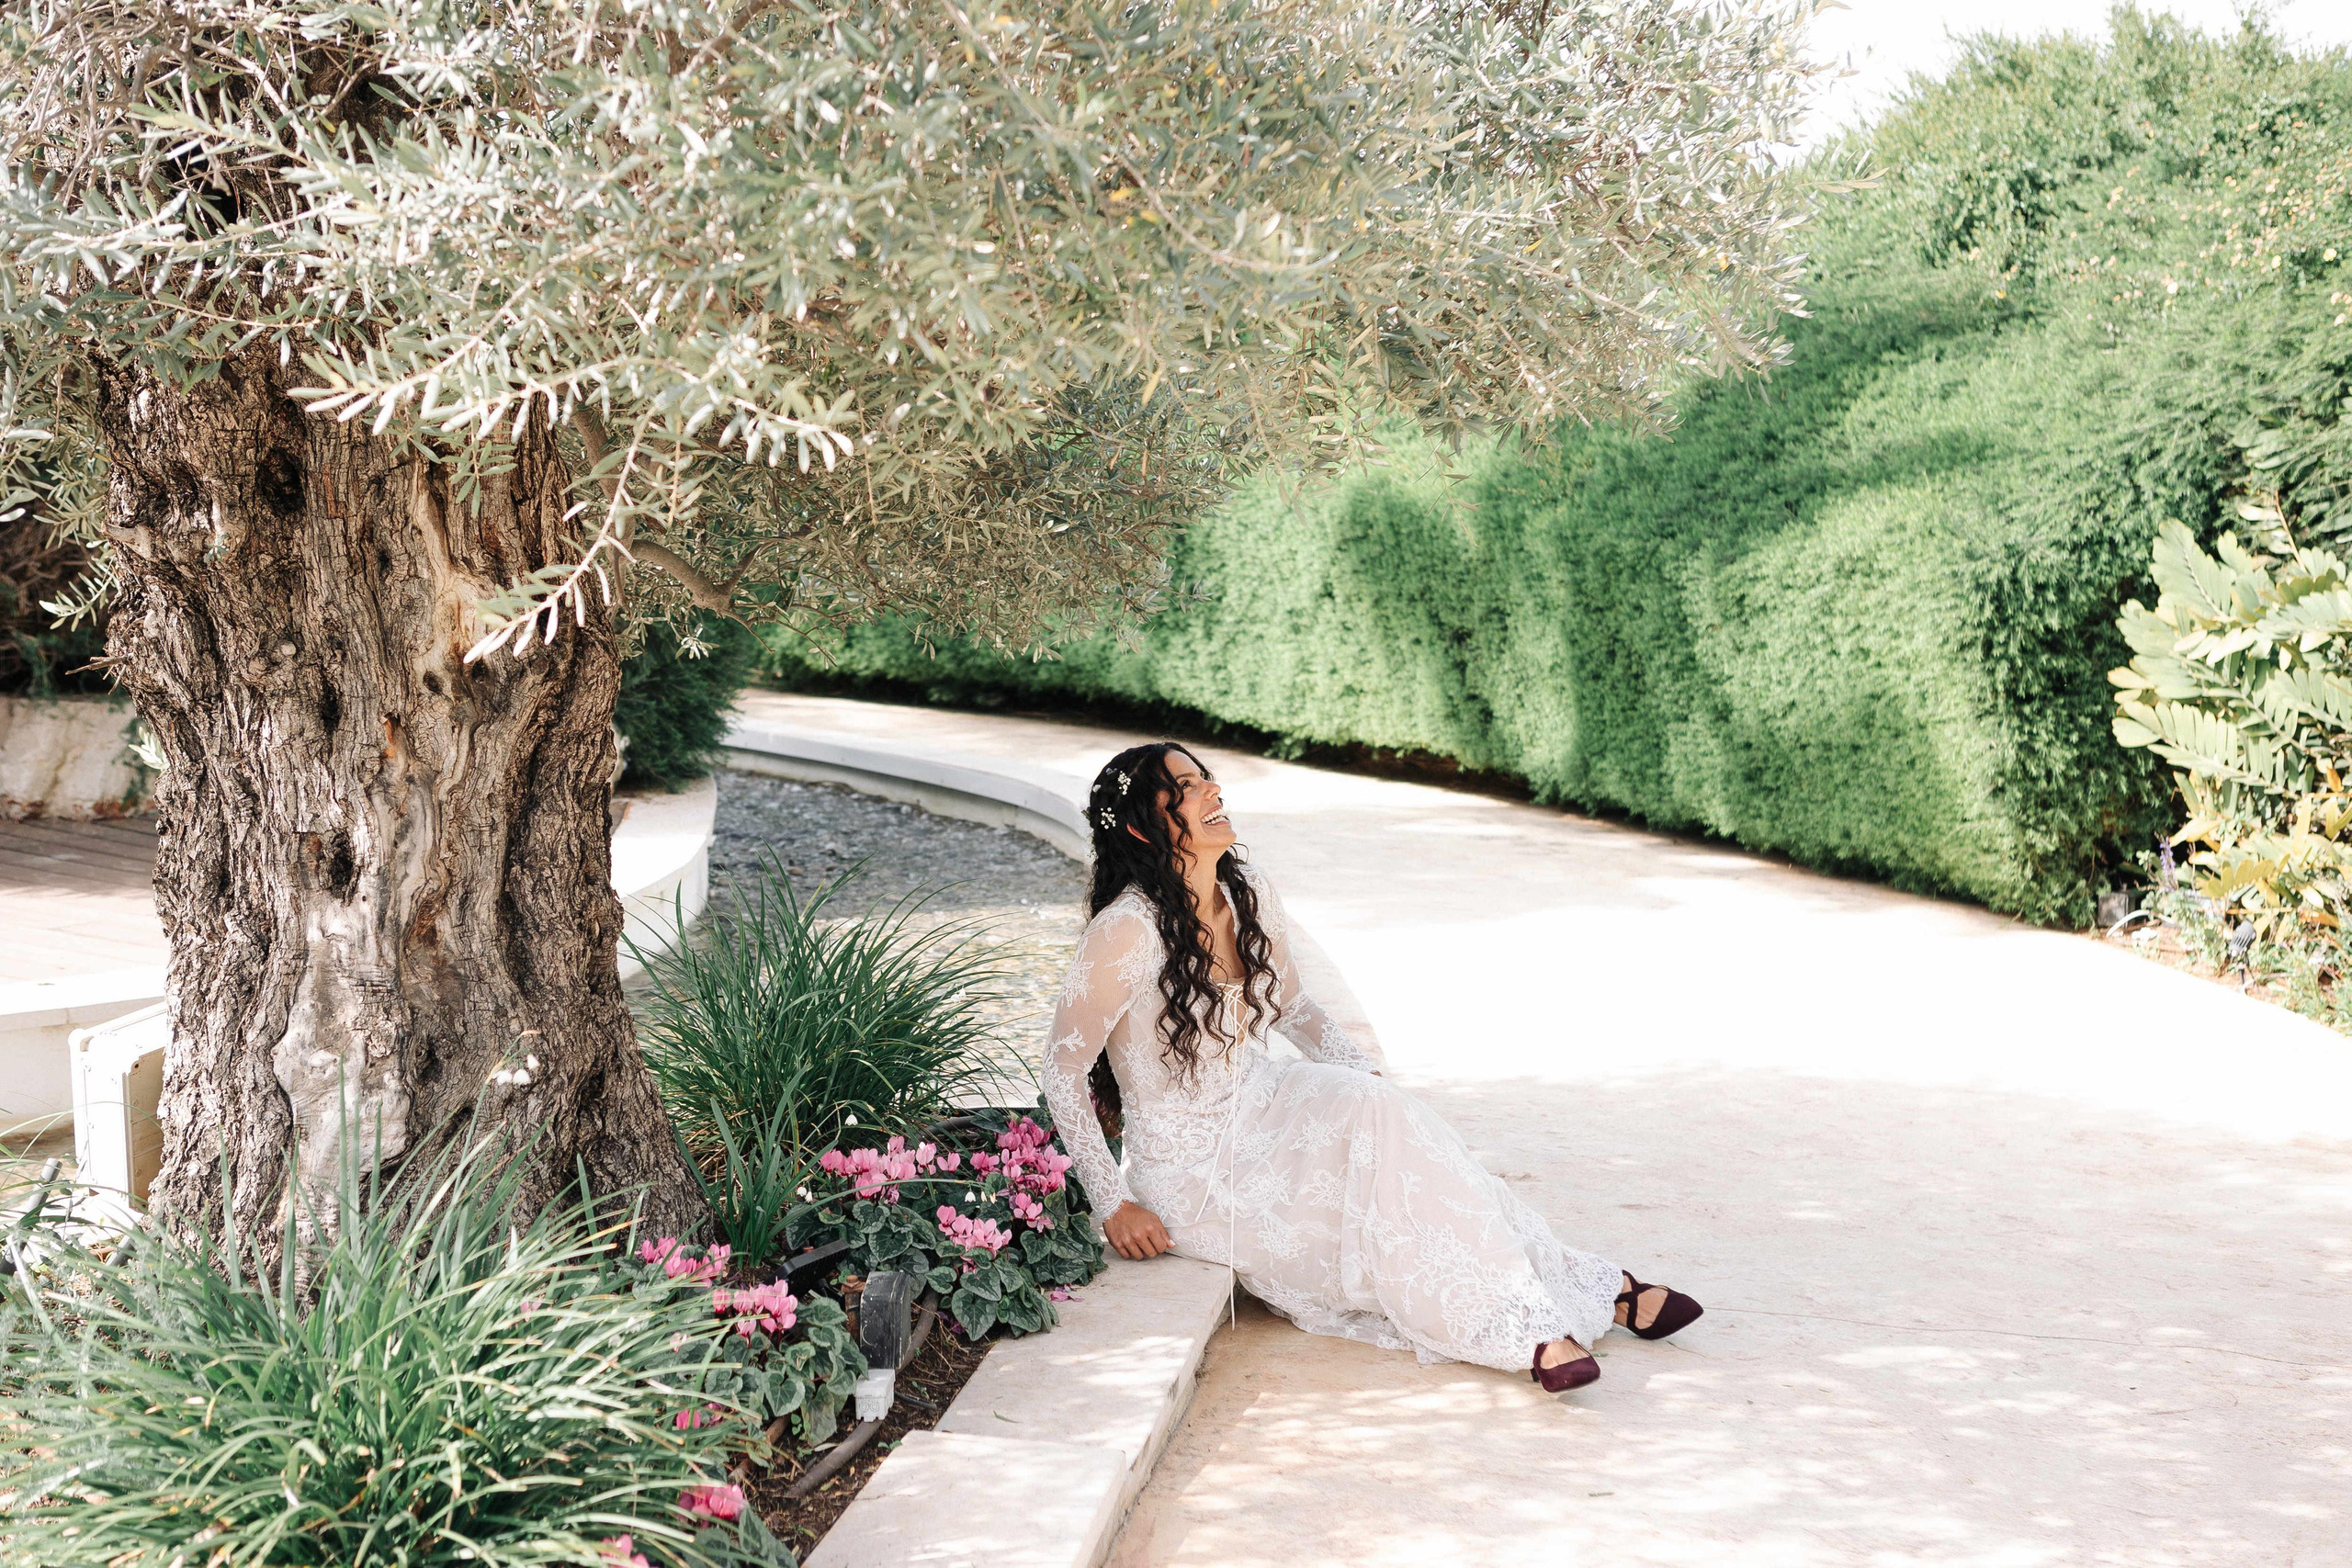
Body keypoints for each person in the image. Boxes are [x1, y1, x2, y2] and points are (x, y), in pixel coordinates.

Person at [1037, 741, 1703, 1393]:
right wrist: (1113, 1203)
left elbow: (1293, 1006)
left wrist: (1364, 1074)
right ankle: (1541, 1323)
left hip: (1265, 1104)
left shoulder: (1246, 891)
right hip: (1193, 1173)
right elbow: (1062, 1070)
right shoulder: (1125, 932)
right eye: (1185, 788)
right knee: (1385, 1206)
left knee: (1385, 1116)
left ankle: (1573, 1290)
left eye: (1205, 777)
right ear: (1141, 828)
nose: (1211, 789)